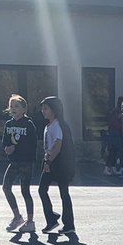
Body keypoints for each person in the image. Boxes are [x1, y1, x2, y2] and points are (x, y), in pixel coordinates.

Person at [38, 95, 76, 237]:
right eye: (42, 108)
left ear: (54, 110)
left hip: (59, 164)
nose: (43, 111)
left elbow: (58, 146)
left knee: (63, 193)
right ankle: (52, 218)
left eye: (46, 108)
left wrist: (48, 162)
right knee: (43, 190)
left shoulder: (58, 126)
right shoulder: (49, 126)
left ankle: (69, 224)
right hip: (51, 161)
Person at [1, 94, 38, 234]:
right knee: (6, 187)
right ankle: (17, 217)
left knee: (25, 190)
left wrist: (17, 148)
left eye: (16, 106)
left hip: (26, 161)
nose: (13, 109)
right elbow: (5, 141)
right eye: (11, 106)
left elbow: (31, 144)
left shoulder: (28, 124)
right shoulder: (8, 124)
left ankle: (30, 221)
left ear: (24, 109)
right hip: (14, 161)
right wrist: (7, 148)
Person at [105, 95, 123, 175]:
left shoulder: (116, 111)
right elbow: (114, 123)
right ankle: (107, 167)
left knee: (115, 151)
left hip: (115, 132)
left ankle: (112, 167)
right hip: (115, 132)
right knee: (113, 150)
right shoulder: (117, 111)